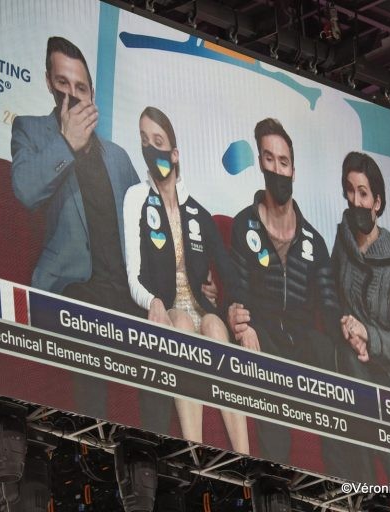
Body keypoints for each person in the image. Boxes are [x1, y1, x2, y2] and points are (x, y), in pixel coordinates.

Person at [11, 36, 140, 420]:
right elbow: (25, 191)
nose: (72, 94)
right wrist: (66, 142)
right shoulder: (31, 131)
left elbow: (146, 230)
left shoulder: (117, 157)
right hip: (71, 290)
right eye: (63, 84)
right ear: (49, 83)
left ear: (92, 94)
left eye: (80, 87)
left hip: (126, 294)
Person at [123, 106, 249, 453]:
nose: (152, 149)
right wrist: (154, 302)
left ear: (174, 153)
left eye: (159, 141)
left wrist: (242, 318)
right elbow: (132, 272)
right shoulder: (136, 198)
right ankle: (196, 452)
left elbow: (228, 272)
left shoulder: (197, 212)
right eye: (145, 141)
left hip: (199, 306)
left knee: (213, 326)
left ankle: (244, 455)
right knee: (181, 323)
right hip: (164, 309)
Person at [227, 118, 340, 463]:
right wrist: (239, 322)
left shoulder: (314, 241)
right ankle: (274, 473)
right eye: (270, 159)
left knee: (329, 355)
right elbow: (239, 291)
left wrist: (349, 330)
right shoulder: (242, 224)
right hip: (265, 335)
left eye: (284, 161)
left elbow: (330, 306)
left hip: (304, 340)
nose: (278, 168)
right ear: (261, 163)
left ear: (294, 169)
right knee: (262, 359)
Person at [328, 151, 390, 484]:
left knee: (356, 369)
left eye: (363, 193)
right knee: (348, 361)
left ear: (377, 202)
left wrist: (368, 338)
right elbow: (331, 294)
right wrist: (348, 327)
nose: (355, 199)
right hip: (346, 350)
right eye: (350, 190)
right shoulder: (343, 238)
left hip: (382, 371)